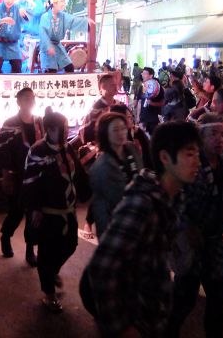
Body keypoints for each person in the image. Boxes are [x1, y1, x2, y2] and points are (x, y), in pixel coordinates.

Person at [86, 121, 201, 336]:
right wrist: (122, 327)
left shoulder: (174, 198)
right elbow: (102, 267)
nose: (197, 162)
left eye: (197, 154)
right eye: (189, 154)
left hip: (152, 312)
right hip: (134, 318)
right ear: (165, 157)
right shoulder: (142, 205)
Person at [168, 114, 223, 338]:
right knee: (184, 298)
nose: (220, 139)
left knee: (220, 297)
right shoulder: (190, 163)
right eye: (213, 134)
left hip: (214, 241)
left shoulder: (222, 162)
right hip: (191, 242)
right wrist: (186, 227)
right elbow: (174, 198)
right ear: (201, 136)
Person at [22, 107, 89, 312]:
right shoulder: (38, 150)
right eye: (62, 128)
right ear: (50, 129)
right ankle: (49, 294)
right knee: (46, 253)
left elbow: (78, 173)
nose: (66, 131)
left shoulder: (66, 148)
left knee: (70, 245)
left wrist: (87, 191)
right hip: (48, 214)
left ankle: (51, 272)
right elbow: (30, 182)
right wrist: (35, 209)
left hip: (68, 211)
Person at [0, 87, 43, 265]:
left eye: (32, 98)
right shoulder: (10, 124)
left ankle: (30, 250)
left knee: (33, 214)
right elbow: (3, 153)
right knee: (16, 212)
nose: (30, 102)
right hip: (16, 176)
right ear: (18, 102)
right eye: (26, 99)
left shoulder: (40, 122)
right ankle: (6, 236)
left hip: (36, 176)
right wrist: (6, 177)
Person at [89, 112, 143, 239]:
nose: (121, 133)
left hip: (135, 219)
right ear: (105, 133)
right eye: (115, 130)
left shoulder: (130, 148)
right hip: (113, 225)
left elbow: (141, 172)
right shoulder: (102, 165)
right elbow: (118, 196)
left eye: (123, 128)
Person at [38, 0, 93, 73]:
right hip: (47, 47)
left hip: (57, 46)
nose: (64, 4)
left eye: (64, 2)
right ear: (54, 3)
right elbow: (43, 33)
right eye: (61, 2)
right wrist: (48, 46)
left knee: (69, 67)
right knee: (50, 71)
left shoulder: (63, 16)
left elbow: (73, 20)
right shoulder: (45, 17)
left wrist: (86, 22)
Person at [0, 0, 32, 74]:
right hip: (0, 43)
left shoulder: (18, 7)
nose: (10, 1)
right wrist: (3, 20)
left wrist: (24, 15)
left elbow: (28, 18)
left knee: (17, 67)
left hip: (13, 44)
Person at [136, 67, 163, 135]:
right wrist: (138, 116)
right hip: (143, 117)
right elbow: (139, 102)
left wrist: (152, 103)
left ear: (151, 76)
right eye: (142, 73)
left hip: (154, 119)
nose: (142, 75)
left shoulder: (158, 87)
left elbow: (163, 102)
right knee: (143, 137)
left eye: (145, 74)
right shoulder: (142, 87)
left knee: (153, 137)